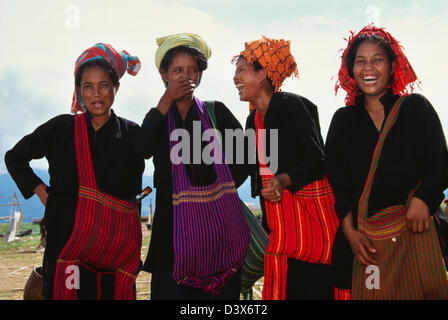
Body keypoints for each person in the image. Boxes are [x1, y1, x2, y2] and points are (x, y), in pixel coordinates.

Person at [4, 43, 145, 300]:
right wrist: (40, 190)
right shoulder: (61, 129)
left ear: (117, 87)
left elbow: (132, 197)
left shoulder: (132, 134)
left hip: (113, 253)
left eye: (104, 84)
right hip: (68, 246)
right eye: (87, 86)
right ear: (78, 90)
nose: (96, 93)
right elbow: (14, 157)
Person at [326, 25, 448, 299]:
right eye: (360, 61)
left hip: (416, 235)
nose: (368, 68)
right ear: (351, 69)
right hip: (367, 242)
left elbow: (439, 161)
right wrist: (350, 232)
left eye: (377, 59)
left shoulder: (416, 108)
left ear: (392, 66)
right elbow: (340, 184)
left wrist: (423, 199)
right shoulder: (343, 121)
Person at [136, 33, 250, 300]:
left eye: (192, 70)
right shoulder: (158, 118)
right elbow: (139, 150)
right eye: (177, 70)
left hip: (218, 236)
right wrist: (164, 102)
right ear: (164, 74)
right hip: (171, 241)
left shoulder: (216, 112)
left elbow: (246, 155)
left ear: (199, 75)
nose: (185, 76)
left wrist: (222, 191)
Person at [232, 36, 339, 300]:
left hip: (314, 226)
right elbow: (245, 167)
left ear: (263, 73)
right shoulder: (252, 120)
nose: (235, 79)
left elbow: (317, 160)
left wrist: (282, 181)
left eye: (241, 71)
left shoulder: (292, 106)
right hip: (282, 232)